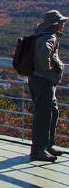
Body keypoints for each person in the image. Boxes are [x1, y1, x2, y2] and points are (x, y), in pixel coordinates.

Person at [28, 10, 66, 162]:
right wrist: (47, 69)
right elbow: (44, 53)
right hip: (43, 80)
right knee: (43, 115)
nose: (63, 25)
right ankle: (39, 150)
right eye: (61, 23)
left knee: (51, 111)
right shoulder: (50, 37)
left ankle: (48, 145)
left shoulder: (40, 34)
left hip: (38, 79)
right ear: (55, 24)